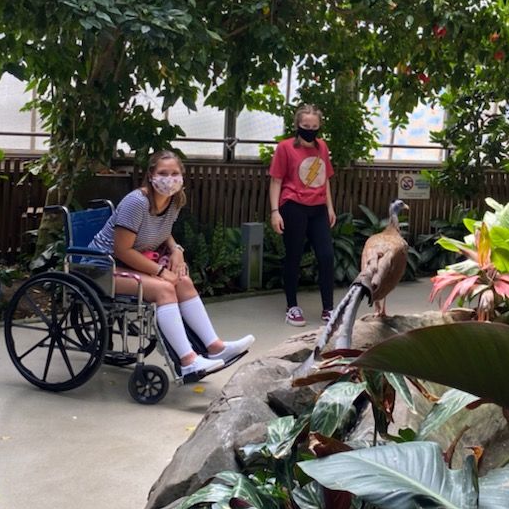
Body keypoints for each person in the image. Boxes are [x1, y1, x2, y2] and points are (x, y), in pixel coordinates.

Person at [89, 150, 254, 376]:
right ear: (151, 175)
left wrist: (176, 250)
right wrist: (160, 271)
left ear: (182, 176)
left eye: (174, 173)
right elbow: (122, 250)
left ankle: (215, 348)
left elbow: (162, 231)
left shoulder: (174, 201)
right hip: (102, 266)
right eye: (163, 173)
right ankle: (188, 362)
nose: (169, 179)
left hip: (128, 264)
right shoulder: (136, 202)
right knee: (165, 289)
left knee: (183, 282)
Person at [268, 103, 336, 327]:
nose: (310, 129)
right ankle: (292, 306)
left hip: (318, 208)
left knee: (326, 255)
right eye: (306, 125)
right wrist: (275, 211)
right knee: (294, 256)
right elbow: (276, 180)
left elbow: (324, 178)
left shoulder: (322, 147)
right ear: (297, 124)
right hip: (293, 205)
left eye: (314, 126)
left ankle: (329, 308)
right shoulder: (285, 148)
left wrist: (330, 207)